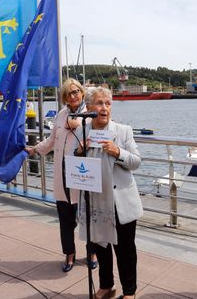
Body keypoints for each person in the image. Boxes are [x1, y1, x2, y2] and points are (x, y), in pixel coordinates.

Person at [74, 87, 142, 299]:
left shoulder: (123, 131)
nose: (104, 108)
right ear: (89, 107)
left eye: (107, 103)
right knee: (99, 245)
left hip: (119, 199)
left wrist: (117, 152)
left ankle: (129, 292)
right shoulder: (81, 131)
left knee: (125, 250)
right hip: (94, 200)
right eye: (99, 103)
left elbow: (136, 162)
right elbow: (73, 163)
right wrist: (78, 152)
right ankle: (106, 285)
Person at [25, 78, 97, 272]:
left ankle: (92, 252)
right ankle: (69, 254)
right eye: (68, 93)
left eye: (75, 91)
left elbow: (98, 139)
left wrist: (79, 130)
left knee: (88, 218)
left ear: (82, 92)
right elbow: (51, 140)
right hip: (62, 175)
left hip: (83, 176)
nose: (72, 96)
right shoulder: (61, 114)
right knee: (65, 220)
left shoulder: (90, 114)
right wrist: (34, 149)